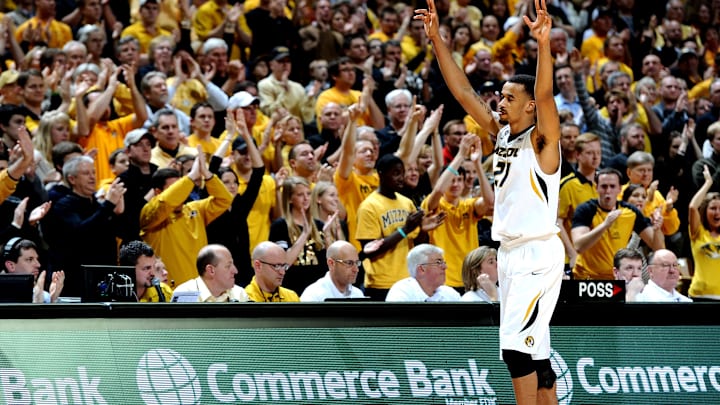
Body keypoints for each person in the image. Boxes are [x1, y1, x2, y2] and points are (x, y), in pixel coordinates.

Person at [417, 0, 564, 401]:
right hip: (512, 254)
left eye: (509, 98)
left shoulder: (542, 141)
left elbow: (547, 93)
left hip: (536, 254)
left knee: (517, 351)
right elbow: (463, 91)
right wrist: (436, 40)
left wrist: (544, 44)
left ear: (530, 105)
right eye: (499, 96)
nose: (500, 102)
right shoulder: (500, 135)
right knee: (536, 355)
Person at [139, 147, 232, 286]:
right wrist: (191, 176)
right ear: (158, 192)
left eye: (183, 187)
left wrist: (207, 174)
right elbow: (166, 202)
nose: (181, 195)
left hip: (201, 291)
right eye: (176, 188)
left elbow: (224, 199)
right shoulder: (149, 214)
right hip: (167, 292)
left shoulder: (195, 209)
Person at [572, 168, 663, 280]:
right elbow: (579, 246)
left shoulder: (631, 212)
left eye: (612, 186)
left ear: (619, 189)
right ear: (596, 188)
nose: (608, 191)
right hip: (587, 278)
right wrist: (605, 225)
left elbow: (658, 248)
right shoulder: (586, 209)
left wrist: (657, 229)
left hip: (616, 279)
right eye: (604, 186)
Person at [269, 176, 328, 295]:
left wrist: (329, 237)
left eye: (308, 194)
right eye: (300, 195)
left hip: (319, 292)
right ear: (290, 199)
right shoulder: (280, 226)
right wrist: (304, 234)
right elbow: (283, 264)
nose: (306, 198)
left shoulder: (319, 225)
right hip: (292, 290)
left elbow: (328, 264)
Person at [173, 244, 251, 302]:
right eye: (228, 266)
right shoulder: (185, 293)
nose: (235, 271)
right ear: (211, 270)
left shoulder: (239, 293)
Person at [688, 165, 720, 300]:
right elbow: (692, 207)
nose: (717, 212)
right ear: (705, 211)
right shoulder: (698, 233)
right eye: (713, 208)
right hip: (699, 296)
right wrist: (708, 183)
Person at [385, 244, 460, 302]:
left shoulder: (450, 293)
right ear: (421, 269)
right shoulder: (401, 292)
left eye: (443, 262)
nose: (445, 267)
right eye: (438, 262)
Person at [2, 238, 64, 303]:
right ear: (11, 266)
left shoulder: (44, 295)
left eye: (37, 259)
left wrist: (52, 300)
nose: (38, 265)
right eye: (30, 259)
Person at [300, 241, 365, 301]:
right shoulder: (313, 295)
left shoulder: (358, 294)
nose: (356, 270)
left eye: (357, 263)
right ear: (331, 263)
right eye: (349, 263)